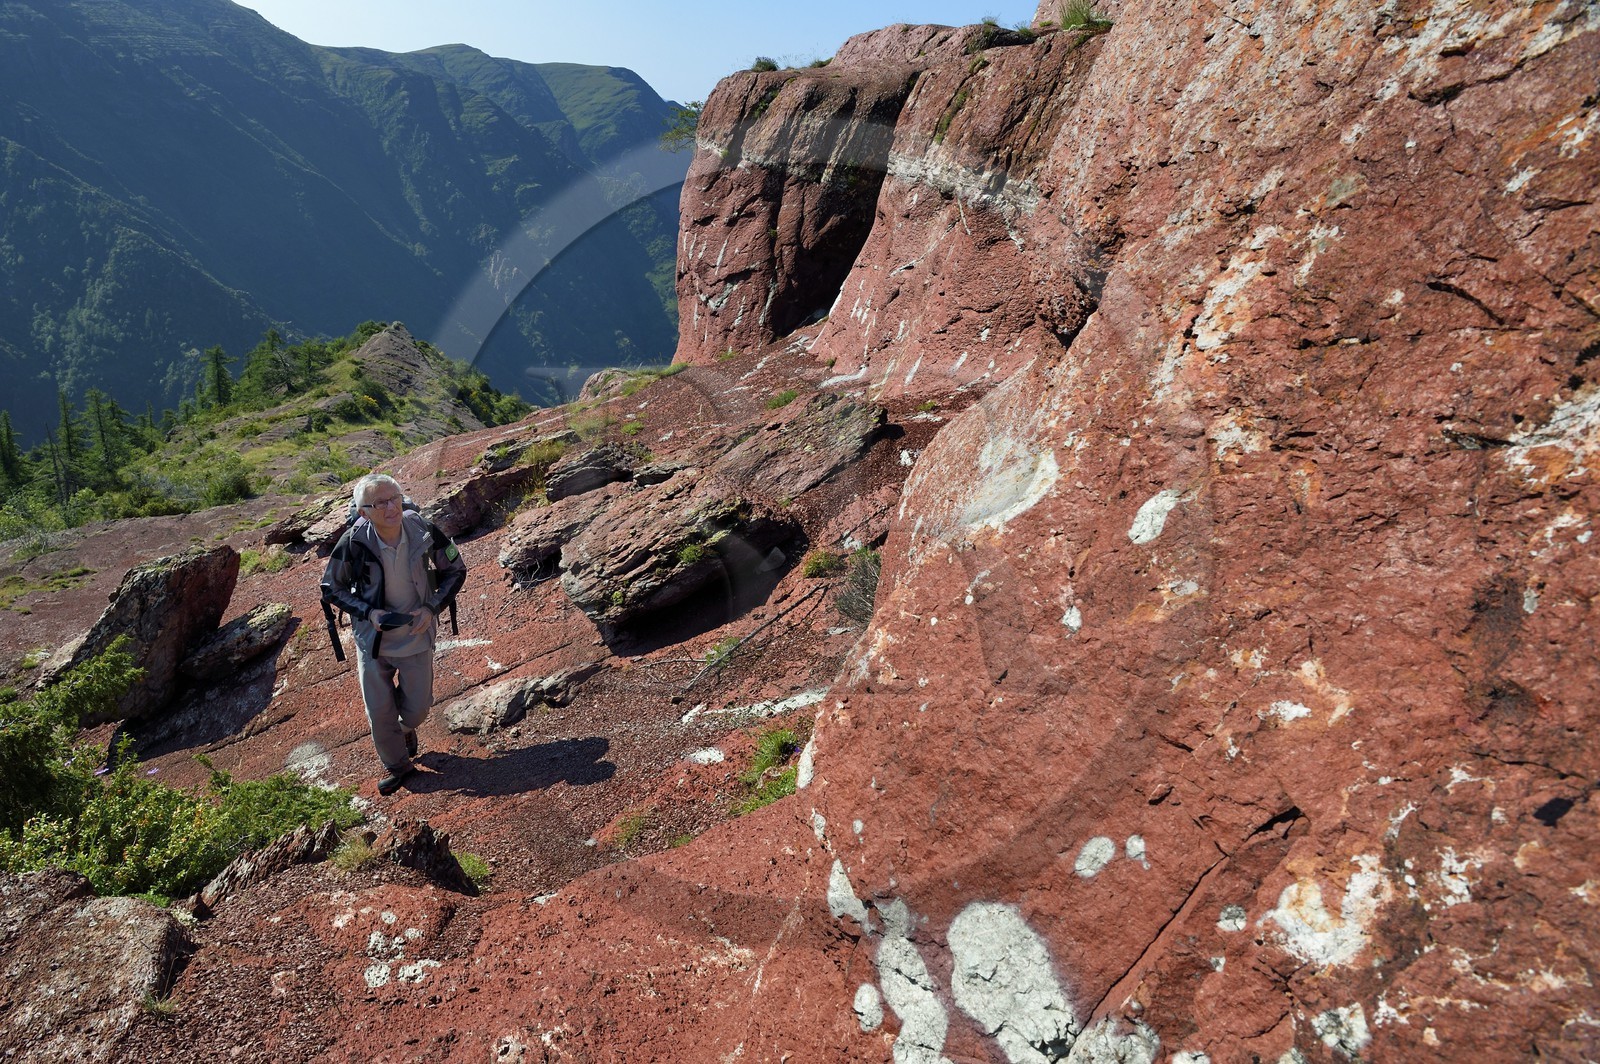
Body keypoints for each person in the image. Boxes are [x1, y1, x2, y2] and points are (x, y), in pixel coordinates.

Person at [320, 473, 467, 794]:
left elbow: (456, 570)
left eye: (395, 498)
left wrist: (431, 609)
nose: (391, 507)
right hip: (372, 641)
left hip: (415, 634)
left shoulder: (423, 530)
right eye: (381, 502)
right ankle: (398, 766)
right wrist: (369, 613)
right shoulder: (354, 542)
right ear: (364, 512)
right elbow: (331, 587)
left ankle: (404, 729)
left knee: (418, 708)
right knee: (379, 711)